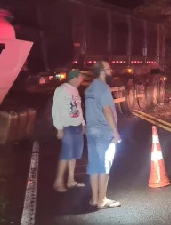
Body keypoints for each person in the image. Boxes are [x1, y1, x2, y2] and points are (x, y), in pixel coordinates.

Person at [85, 60, 122, 208]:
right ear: (102, 72)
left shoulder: (89, 89)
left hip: (91, 132)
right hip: (103, 132)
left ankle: (94, 198)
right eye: (108, 69)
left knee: (94, 166)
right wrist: (115, 132)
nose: (110, 71)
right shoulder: (104, 88)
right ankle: (102, 200)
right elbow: (107, 111)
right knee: (104, 165)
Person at [51, 69, 86, 192]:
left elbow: (78, 108)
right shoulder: (61, 90)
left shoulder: (75, 91)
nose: (82, 80)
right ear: (74, 78)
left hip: (77, 126)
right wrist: (59, 128)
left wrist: (83, 123)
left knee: (74, 155)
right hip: (67, 127)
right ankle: (58, 182)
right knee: (66, 155)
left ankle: (71, 180)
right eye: (81, 77)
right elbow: (56, 110)